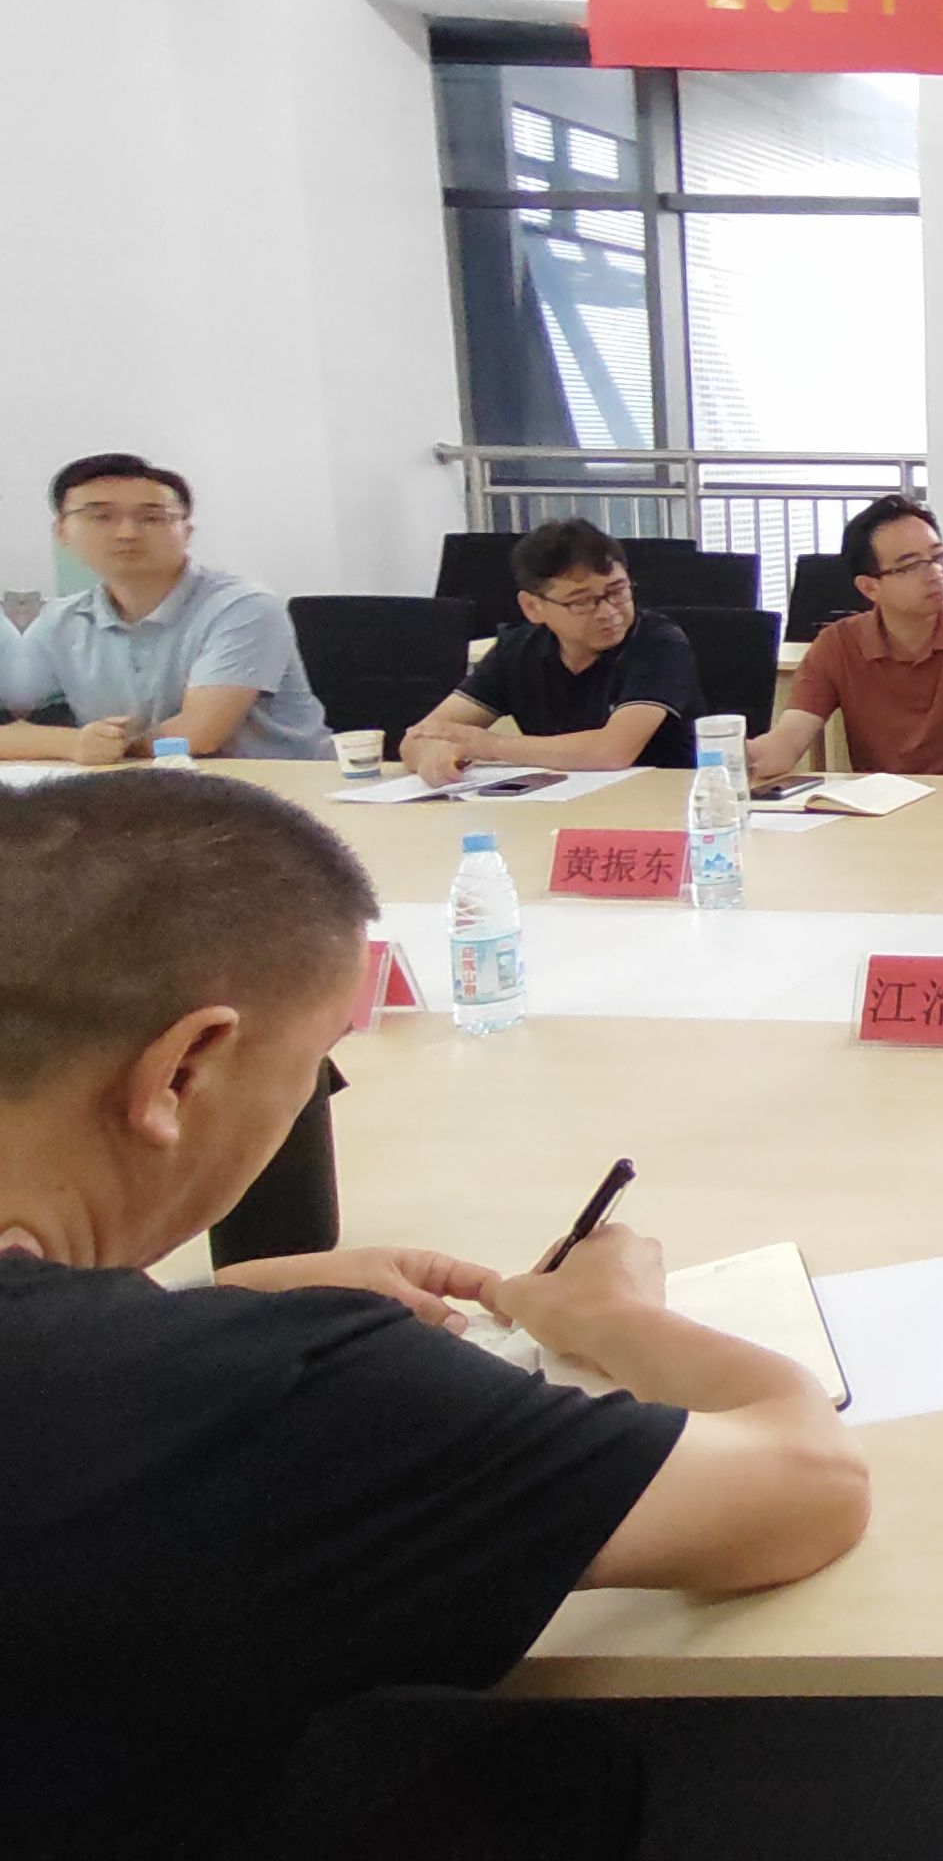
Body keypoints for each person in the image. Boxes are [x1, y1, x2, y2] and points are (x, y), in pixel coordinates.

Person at [0, 773, 870, 1855]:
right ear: (181, 1071)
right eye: (312, 1066)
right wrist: (611, 1314)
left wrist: (197, 1306)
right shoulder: (291, 1397)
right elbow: (808, 1488)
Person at [1, 453, 328, 763]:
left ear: (186, 531)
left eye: (152, 518)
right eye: (101, 516)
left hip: (278, 784)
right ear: (61, 531)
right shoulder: (58, 621)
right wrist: (71, 745)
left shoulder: (244, 606)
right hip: (136, 785)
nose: (127, 533)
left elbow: (197, 735)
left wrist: (103, 748)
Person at [401, 519, 704, 785]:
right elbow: (417, 737)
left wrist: (490, 746)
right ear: (533, 607)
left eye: (617, 591)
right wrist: (433, 755)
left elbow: (611, 751)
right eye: (581, 602)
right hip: (556, 805)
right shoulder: (517, 649)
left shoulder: (658, 642)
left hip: (656, 800)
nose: (608, 612)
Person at [746, 497, 943, 783]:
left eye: (939, 557)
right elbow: (786, 743)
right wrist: (734, 755)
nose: (936, 573)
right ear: (869, 587)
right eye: (911, 566)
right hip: (885, 802)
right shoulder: (838, 644)